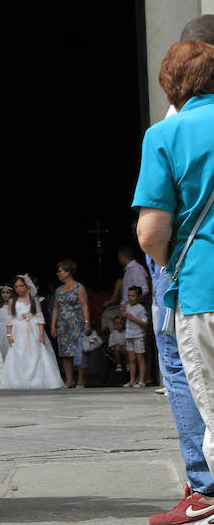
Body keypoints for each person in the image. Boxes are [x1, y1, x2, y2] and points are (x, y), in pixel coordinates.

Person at [135, 39, 214, 520]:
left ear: (170, 84)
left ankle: (208, 497)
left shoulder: (165, 133)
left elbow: (151, 232)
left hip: (204, 286)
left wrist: (173, 263)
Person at [0, 275, 64, 389]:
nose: (19, 288)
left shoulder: (33, 300)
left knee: (37, 353)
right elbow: (9, 320)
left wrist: (41, 335)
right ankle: (20, 381)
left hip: (33, 330)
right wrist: (9, 334)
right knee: (19, 354)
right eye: (17, 286)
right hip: (18, 331)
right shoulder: (12, 301)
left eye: (21, 286)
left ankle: (38, 380)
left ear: (26, 286)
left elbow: (39, 318)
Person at [50, 259, 91, 388]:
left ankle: (81, 379)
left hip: (77, 323)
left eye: (60, 271)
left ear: (68, 272)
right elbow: (56, 308)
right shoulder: (59, 290)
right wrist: (53, 325)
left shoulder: (79, 287)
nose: (58, 273)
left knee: (78, 352)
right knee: (64, 353)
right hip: (63, 324)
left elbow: (85, 306)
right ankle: (69, 380)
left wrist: (87, 322)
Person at [121, 286, 149, 389]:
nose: (130, 298)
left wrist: (133, 318)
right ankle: (132, 380)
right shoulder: (127, 306)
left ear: (139, 297)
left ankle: (141, 380)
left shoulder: (141, 308)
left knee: (140, 358)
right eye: (128, 296)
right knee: (131, 359)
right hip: (129, 335)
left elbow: (145, 323)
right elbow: (122, 315)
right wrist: (123, 310)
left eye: (133, 296)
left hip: (138, 335)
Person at [0, 285, 14, 360]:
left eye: (7, 293)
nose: (5, 295)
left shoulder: (13, 305)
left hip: (11, 329)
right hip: (0, 330)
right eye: (3, 292)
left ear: (11, 293)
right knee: (1, 347)